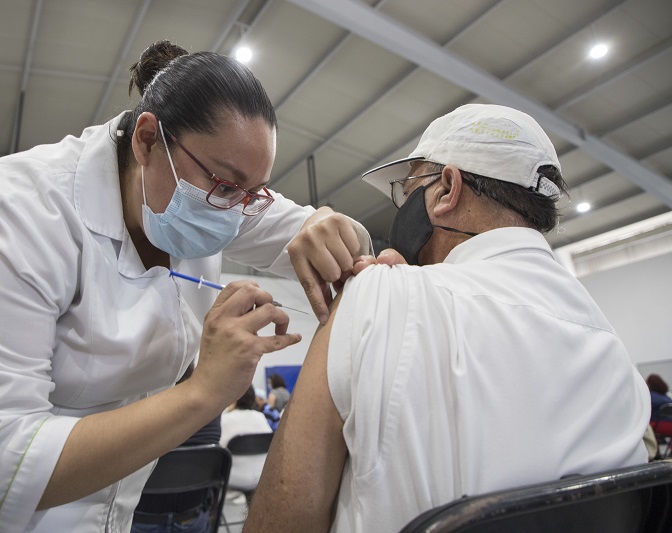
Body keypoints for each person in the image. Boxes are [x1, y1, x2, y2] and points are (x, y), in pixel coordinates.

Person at [0, 40, 371, 532]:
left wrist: (333, 224)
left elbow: (328, 236)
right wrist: (203, 392)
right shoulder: (15, 215)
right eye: (225, 185)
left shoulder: (216, 200)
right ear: (148, 140)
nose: (238, 210)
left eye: (252, 194)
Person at [245, 104, 650, 532]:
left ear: (446, 190)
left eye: (408, 190)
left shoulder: (376, 295)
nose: (402, 210)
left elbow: (281, 521)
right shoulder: (612, 348)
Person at [131, 364, 221, 533]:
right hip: (192, 520)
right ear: (192, 369)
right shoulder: (213, 412)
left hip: (140, 520)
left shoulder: (135, 414)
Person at [220, 386, 273, 498]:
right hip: (261, 478)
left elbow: (218, 453)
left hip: (232, 480)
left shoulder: (224, 420)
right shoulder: (261, 417)